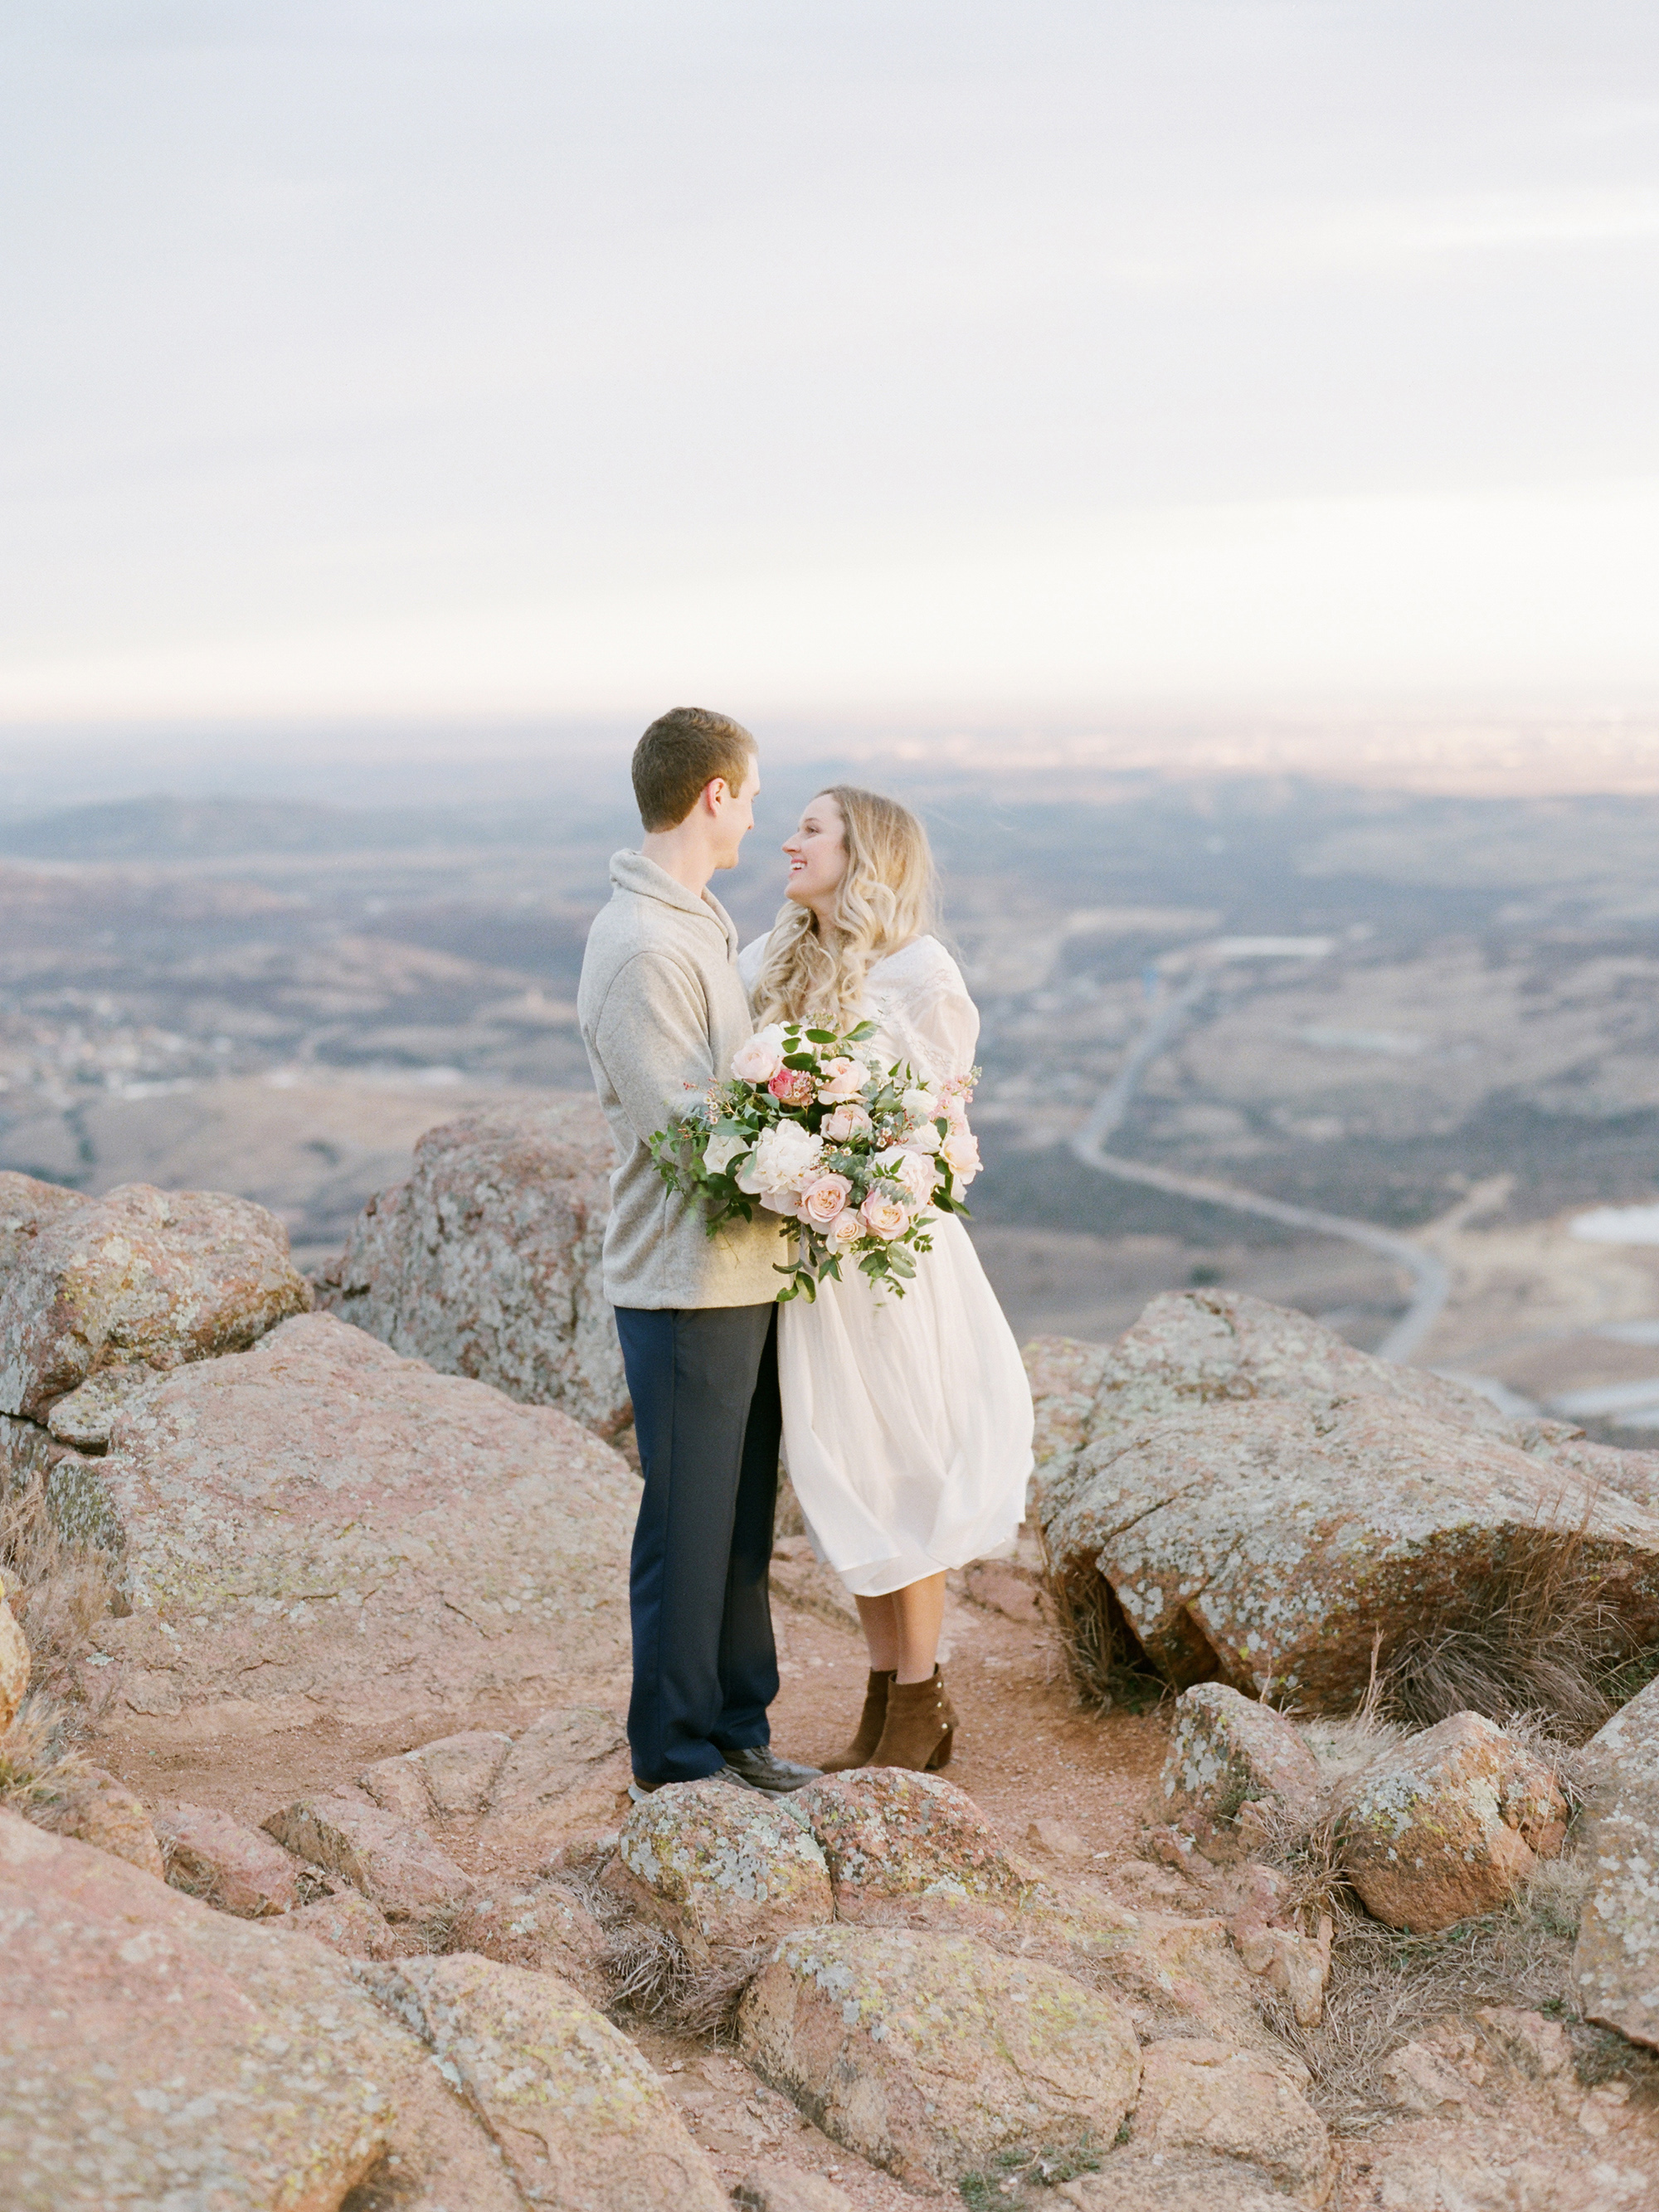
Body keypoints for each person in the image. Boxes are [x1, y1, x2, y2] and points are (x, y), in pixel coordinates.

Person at [740, 785, 1034, 1772]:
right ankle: (882, 1698)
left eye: (811, 829)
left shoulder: (920, 973)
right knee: (850, 1473)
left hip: (889, 1255)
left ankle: (920, 1701)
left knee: (906, 1467)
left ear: (863, 853)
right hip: (816, 1262)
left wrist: (853, 1170)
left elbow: (936, 1131)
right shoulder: (777, 957)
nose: (788, 841)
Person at [577, 707, 820, 1798]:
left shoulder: (694, 923)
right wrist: (815, 1156)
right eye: (753, 793)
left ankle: (737, 1720)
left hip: (740, 1272)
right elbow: (685, 1134)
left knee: (735, 1516)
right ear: (714, 793)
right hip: (681, 1282)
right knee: (687, 1521)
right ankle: (673, 1759)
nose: (759, 815)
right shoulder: (641, 947)